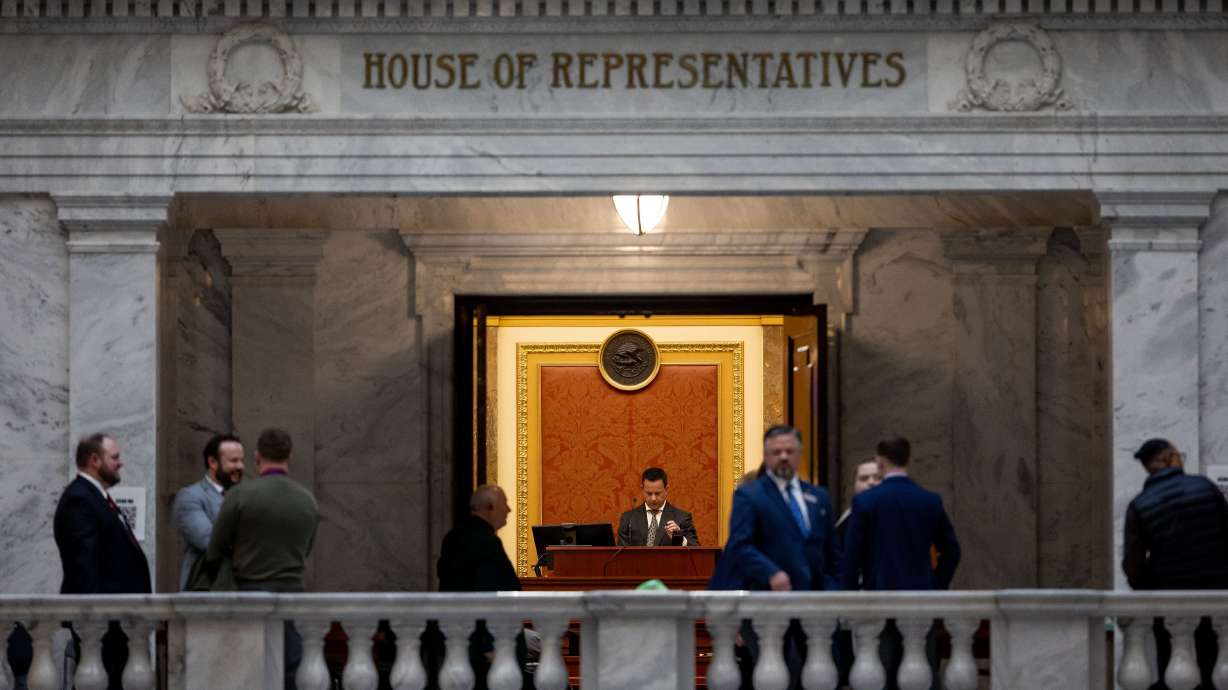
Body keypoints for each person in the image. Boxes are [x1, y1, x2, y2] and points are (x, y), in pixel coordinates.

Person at [839, 436, 960, 690]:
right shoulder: (929, 501)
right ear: (908, 460)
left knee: (878, 674)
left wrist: (849, 597)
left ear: (880, 462)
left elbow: (851, 558)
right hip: (920, 602)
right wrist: (936, 585)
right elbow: (952, 550)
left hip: (876, 598)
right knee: (921, 672)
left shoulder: (866, 502)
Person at [724, 425, 839, 689]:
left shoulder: (818, 497)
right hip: (769, 603)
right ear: (767, 455)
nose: (784, 457)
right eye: (777, 452)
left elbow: (833, 553)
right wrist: (770, 572)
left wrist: (835, 590)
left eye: (790, 451)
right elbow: (740, 546)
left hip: (815, 604)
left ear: (800, 455)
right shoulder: (749, 496)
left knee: (819, 675)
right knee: (777, 674)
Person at [205, 428, 319, 690]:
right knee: (290, 668)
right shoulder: (307, 500)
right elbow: (307, 549)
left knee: (247, 669)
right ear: (290, 455)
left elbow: (215, 550)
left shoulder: (240, 496)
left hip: (248, 593)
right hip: (293, 593)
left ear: (257, 456)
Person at [1122, 438, 1228, 690]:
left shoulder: (1140, 505)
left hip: (1169, 598)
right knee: (1214, 661)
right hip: (1217, 594)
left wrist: (1151, 587)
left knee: (1172, 663)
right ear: (1171, 457)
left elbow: (1132, 566)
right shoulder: (1204, 487)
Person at [53, 433, 152, 690]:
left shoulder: (96, 497)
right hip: (102, 624)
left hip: (117, 621)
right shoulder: (79, 499)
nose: (121, 463)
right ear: (95, 460)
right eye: (115, 457)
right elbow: (83, 566)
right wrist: (96, 620)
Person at [436, 485, 533, 690]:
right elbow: (490, 592)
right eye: (504, 504)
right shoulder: (486, 542)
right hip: (487, 647)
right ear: (489, 507)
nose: (509, 510)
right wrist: (490, 645)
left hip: (459, 638)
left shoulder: (453, 537)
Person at [173, 433, 245, 590]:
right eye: (233, 460)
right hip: (206, 592)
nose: (240, 466)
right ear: (212, 462)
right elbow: (210, 540)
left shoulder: (245, 495)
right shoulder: (191, 496)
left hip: (242, 593)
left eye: (241, 460)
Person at [833, 459, 882, 688]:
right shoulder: (847, 516)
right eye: (863, 478)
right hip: (847, 608)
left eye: (877, 478)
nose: (870, 483)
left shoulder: (889, 518)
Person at [617, 467, 700, 546]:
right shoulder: (628, 519)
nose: (653, 499)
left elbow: (696, 551)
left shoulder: (682, 518)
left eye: (657, 493)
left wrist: (679, 538)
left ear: (666, 489)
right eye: (649, 493)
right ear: (642, 489)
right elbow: (621, 555)